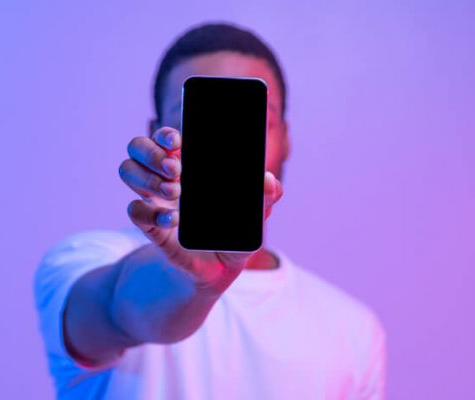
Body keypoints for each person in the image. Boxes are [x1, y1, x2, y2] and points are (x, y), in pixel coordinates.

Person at [33, 22, 387, 400]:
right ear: (158, 133)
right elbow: (116, 307)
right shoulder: (79, 261)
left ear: (284, 139)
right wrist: (192, 283)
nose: (226, 141)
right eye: (199, 119)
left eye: (252, 121)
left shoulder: (354, 331)